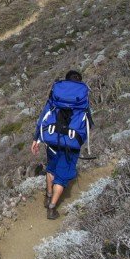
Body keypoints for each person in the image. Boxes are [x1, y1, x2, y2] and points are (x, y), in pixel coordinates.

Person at [30, 70, 92, 220]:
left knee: (51, 167)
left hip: (52, 138)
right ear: (79, 82)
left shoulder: (56, 95)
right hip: (71, 142)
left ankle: (48, 195)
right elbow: (88, 123)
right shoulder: (82, 99)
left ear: (66, 81)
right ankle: (52, 208)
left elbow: (42, 117)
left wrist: (36, 139)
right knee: (62, 176)